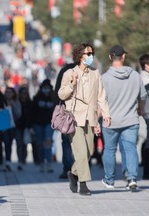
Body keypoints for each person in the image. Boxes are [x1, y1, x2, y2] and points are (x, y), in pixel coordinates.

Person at [58, 43, 111, 196]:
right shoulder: (70, 73)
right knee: (81, 152)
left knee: (88, 152)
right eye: (88, 54)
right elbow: (61, 94)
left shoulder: (95, 73)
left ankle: (74, 173)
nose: (90, 56)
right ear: (80, 56)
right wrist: (72, 84)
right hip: (74, 117)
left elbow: (101, 95)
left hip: (91, 117)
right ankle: (83, 184)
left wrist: (106, 114)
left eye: (92, 53)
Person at [101, 45, 146, 190]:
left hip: (110, 121)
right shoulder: (135, 75)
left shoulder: (104, 78)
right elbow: (143, 96)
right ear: (124, 57)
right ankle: (132, 178)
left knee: (109, 150)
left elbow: (100, 101)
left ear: (110, 57)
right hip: (131, 119)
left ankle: (109, 180)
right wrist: (140, 109)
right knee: (130, 149)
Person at [53, 63, 76, 179]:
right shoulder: (67, 70)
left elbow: (57, 93)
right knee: (71, 142)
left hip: (68, 113)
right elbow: (58, 93)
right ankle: (74, 168)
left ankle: (70, 168)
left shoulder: (65, 70)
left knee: (66, 142)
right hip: (70, 112)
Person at [31, 79, 55, 173]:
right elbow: (32, 112)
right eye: (44, 88)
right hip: (38, 124)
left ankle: (49, 163)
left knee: (48, 143)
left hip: (49, 124)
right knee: (40, 144)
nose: (46, 90)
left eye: (47, 88)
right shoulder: (36, 98)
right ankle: (41, 162)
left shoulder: (53, 99)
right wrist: (31, 126)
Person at [2, 87, 22, 171]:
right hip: (6, 126)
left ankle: (20, 162)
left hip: (16, 126)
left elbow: (19, 114)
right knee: (7, 144)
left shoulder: (17, 102)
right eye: (7, 92)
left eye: (10, 92)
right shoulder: (2, 102)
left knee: (19, 144)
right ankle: (8, 162)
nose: (8, 94)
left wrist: (12, 105)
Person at [139, 53, 149, 180]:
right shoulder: (144, 78)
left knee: (147, 139)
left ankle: (144, 164)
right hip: (147, 112)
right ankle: (146, 171)